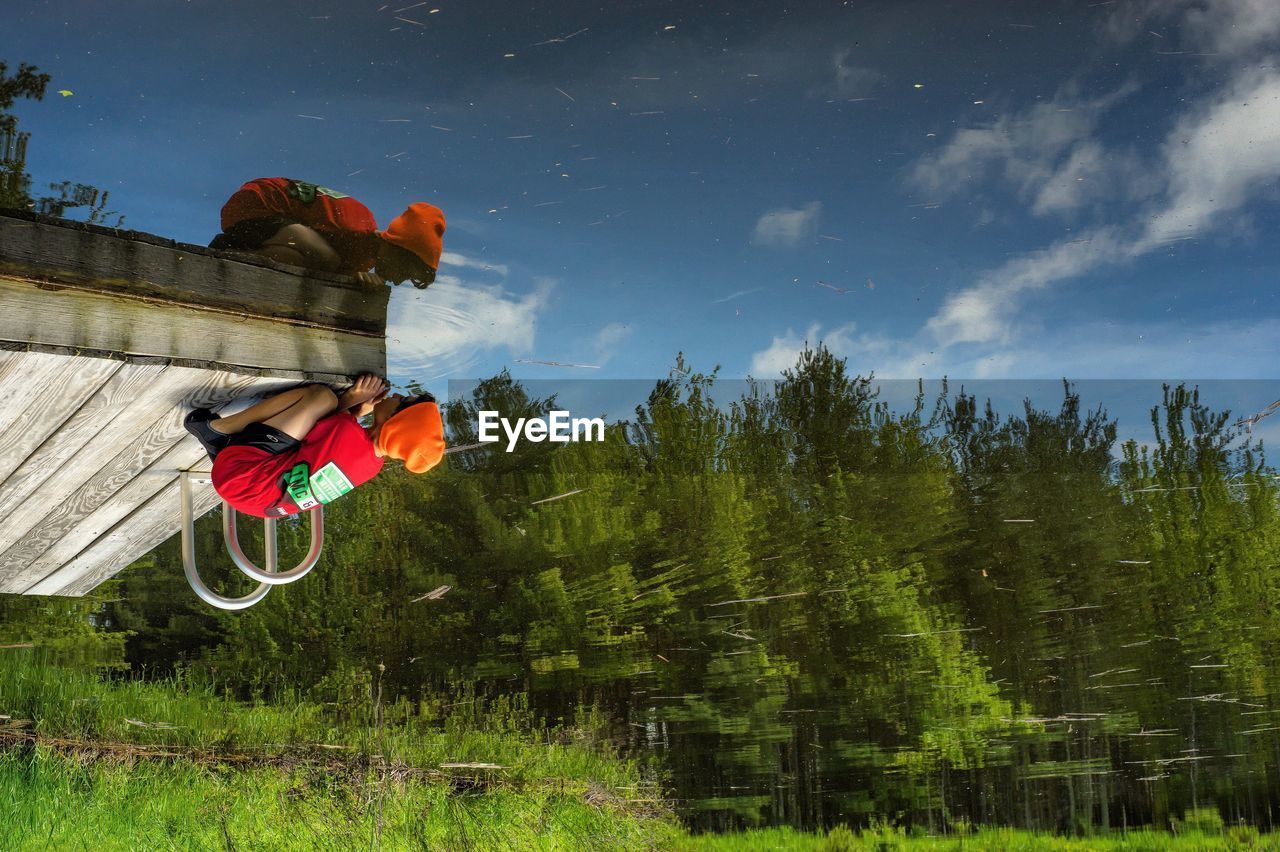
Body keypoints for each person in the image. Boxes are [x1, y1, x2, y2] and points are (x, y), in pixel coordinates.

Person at [184, 373, 445, 518]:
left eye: (402, 400)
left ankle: (217, 431)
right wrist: (357, 411)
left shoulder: (348, 432)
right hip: (258, 504)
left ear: (393, 421)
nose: (397, 394)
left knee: (321, 397)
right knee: (327, 406)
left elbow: (321, 413)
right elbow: (330, 444)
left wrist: (353, 398)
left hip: (240, 476)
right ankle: (227, 446)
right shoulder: (372, 464)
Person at [209, 177, 445, 289]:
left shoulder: (363, 255)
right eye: (405, 270)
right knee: (325, 259)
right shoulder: (354, 229)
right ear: (398, 250)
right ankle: (231, 251)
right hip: (255, 205)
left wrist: (357, 278)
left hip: (266, 219)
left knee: (308, 263)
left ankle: (239, 251)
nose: (399, 280)